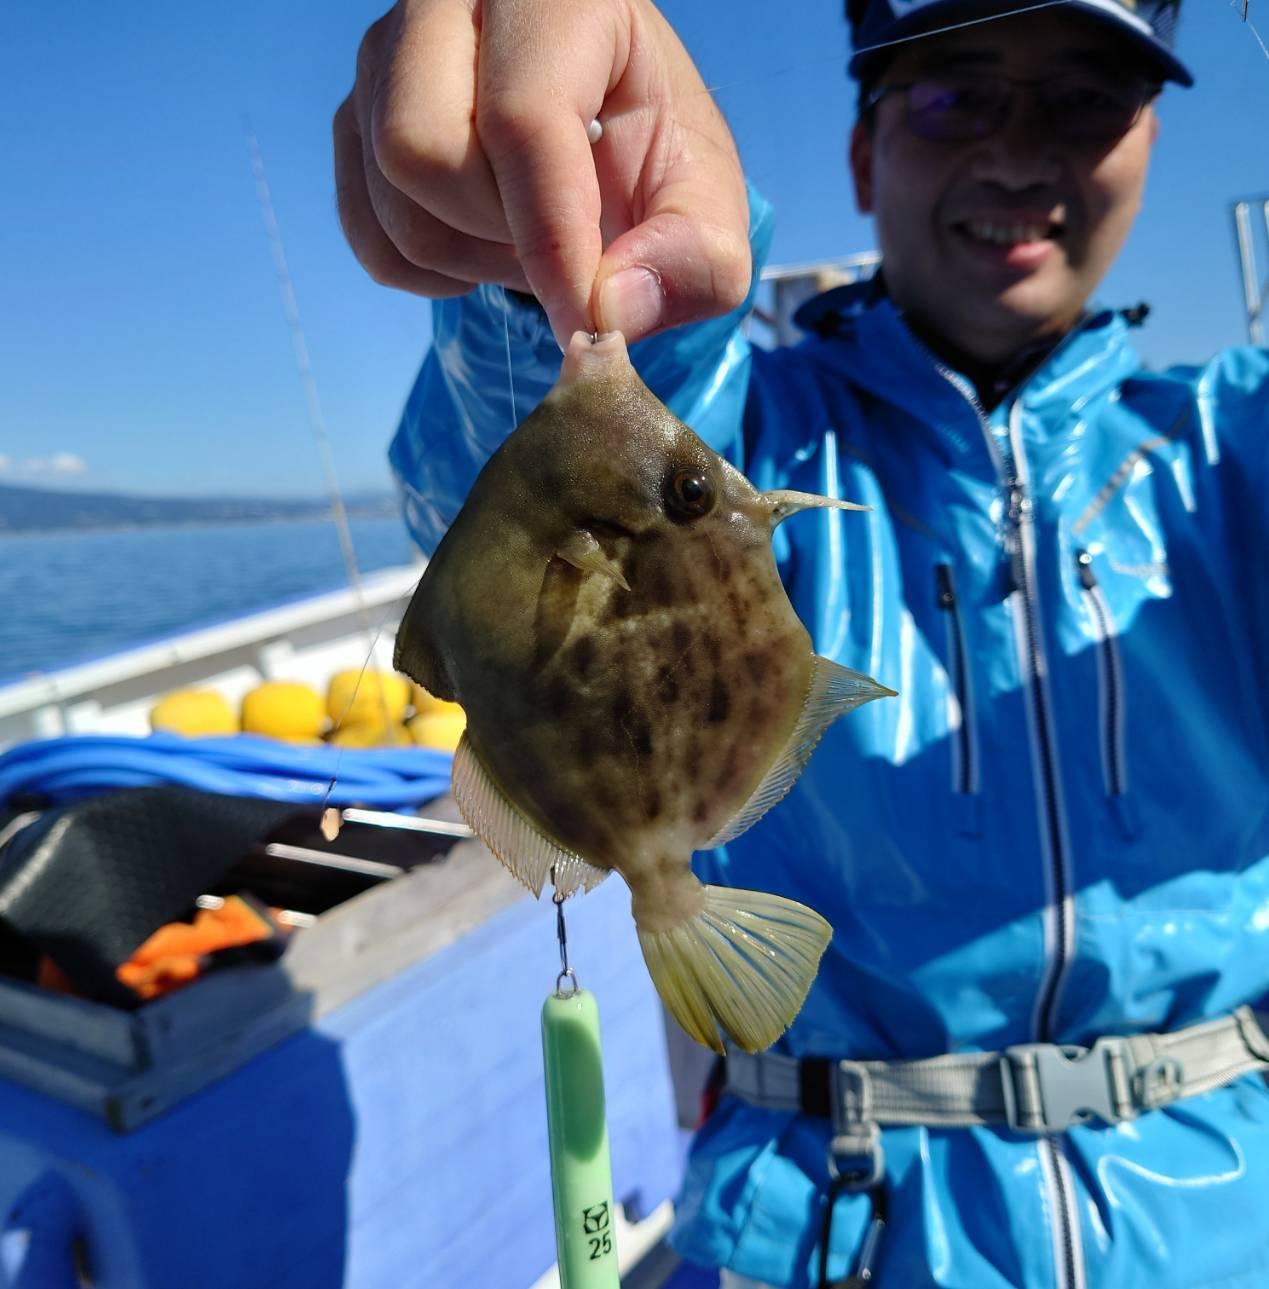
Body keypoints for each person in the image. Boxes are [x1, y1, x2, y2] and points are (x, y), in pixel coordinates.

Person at [335, 0, 1269, 1284]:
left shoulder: (1229, 451)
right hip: (828, 1224)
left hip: (1227, 1211)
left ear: (1151, 137)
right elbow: (507, 477)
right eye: (953, 94)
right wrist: (548, 250)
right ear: (863, 153)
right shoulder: (739, 422)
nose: (1015, 152)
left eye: (1084, 99)